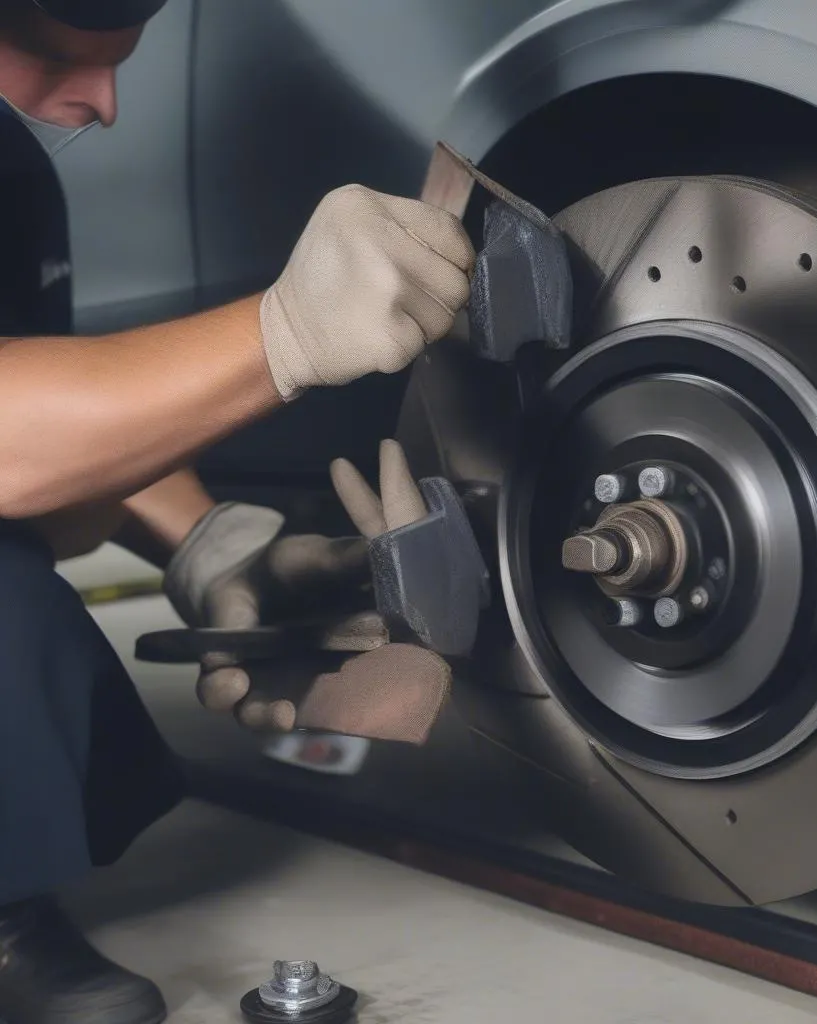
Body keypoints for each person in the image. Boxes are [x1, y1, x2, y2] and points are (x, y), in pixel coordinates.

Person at [0, 2, 477, 1022]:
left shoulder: (10, 175)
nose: (100, 105)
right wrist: (282, 334)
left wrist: (212, 545)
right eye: (47, 57)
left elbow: (52, 411)